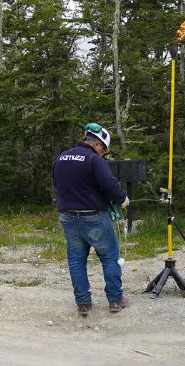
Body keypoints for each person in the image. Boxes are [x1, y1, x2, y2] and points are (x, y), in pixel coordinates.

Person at [51, 123, 130, 316]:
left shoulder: (60, 158)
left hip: (68, 218)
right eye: (104, 150)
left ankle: (83, 303)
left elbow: (57, 184)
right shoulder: (93, 159)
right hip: (93, 217)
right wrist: (121, 199)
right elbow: (108, 184)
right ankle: (115, 299)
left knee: (76, 260)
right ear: (97, 144)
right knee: (109, 256)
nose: (103, 154)